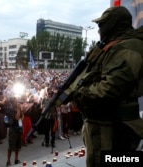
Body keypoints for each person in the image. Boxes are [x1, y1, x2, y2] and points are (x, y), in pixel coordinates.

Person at [71, 6, 143, 167]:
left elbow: (109, 89)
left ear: (113, 24)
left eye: (102, 25)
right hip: (106, 127)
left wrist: (79, 93)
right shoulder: (114, 46)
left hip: (115, 130)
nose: (99, 30)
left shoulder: (128, 48)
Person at [6, 97, 23, 167]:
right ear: (12, 102)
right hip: (13, 129)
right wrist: (19, 109)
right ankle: (8, 161)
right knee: (11, 146)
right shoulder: (10, 109)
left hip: (19, 128)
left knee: (18, 145)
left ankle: (16, 159)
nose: (17, 102)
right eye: (16, 101)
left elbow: (21, 117)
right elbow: (16, 117)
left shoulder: (17, 108)